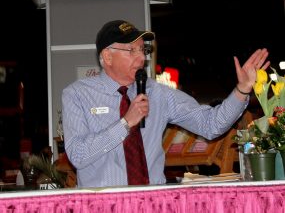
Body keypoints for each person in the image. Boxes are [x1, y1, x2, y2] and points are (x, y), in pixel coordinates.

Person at [62, 19, 270, 188]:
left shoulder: (158, 93)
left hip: (153, 203)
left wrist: (242, 90)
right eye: (131, 50)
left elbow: (210, 124)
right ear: (107, 56)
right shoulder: (77, 95)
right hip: (103, 206)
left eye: (143, 50)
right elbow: (78, 156)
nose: (141, 58)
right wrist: (125, 123)